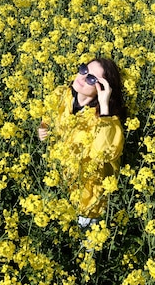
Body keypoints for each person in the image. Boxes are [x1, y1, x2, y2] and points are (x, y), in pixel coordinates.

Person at [38, 58, 126, 228]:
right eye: (84, 70)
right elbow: (47, 118)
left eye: (92, 79)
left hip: (87, 197)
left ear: (102, 88)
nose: (82, 77)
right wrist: (42, 128)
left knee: (86, 241)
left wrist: (104, 106)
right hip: (57, 183)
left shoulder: (107, 120)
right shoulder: (61, 94)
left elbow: (105, 152)